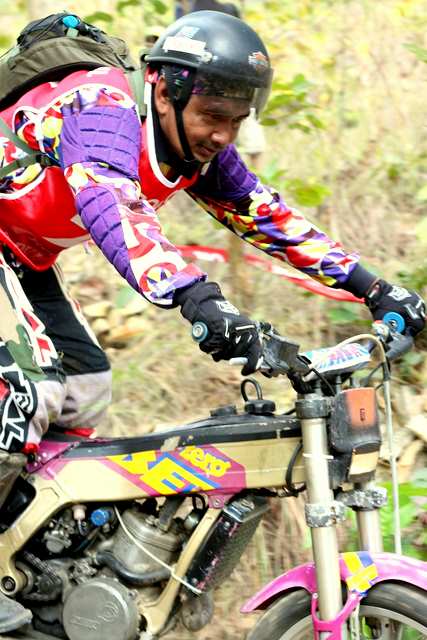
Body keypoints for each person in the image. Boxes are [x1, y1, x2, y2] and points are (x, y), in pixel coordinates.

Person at [0, 10, 424, 631]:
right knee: (25, 393)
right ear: (163, 91)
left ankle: (37, 554)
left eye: (238, 119)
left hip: (22, 251)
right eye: (212, 115)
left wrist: (374, 288)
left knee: (85, 388)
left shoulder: (195, 145)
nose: (223, 134)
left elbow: (265, 214)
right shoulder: (100, 108)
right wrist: (198, 298)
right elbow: (113, 209)